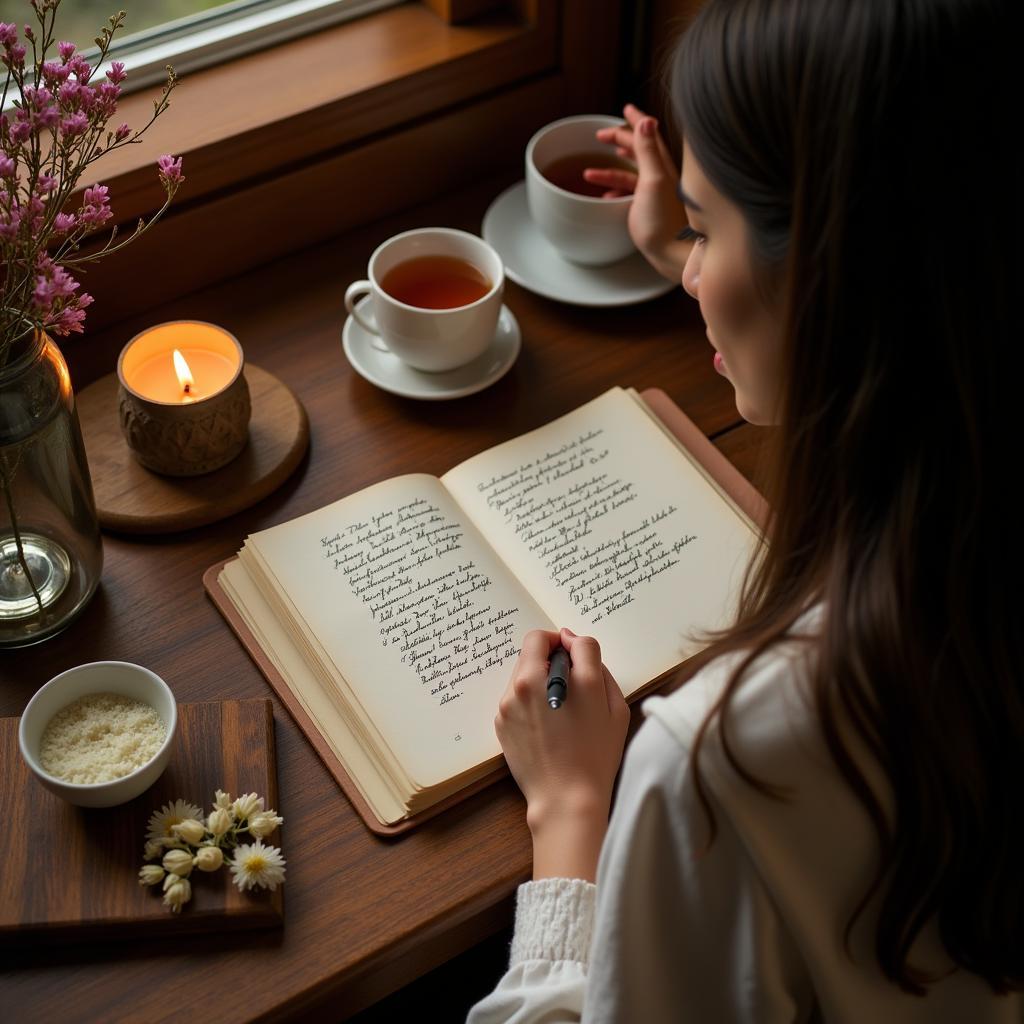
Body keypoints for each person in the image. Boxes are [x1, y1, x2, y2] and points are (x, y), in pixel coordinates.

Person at [467, 0, 1021, 1020]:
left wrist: (571, 811)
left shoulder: (725, 764)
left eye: (702, 225)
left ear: (830, 280)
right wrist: (712, 270)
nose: (684, 263)